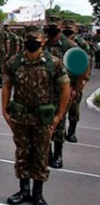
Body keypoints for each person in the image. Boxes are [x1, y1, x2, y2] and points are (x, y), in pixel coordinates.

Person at [2, 25, 70, 205]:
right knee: (22, 154)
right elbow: (7, 86)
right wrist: (5, 111)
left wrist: (59, 115)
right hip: (21, 117)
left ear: (43, 42)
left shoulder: (53, 63)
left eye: (36, 41)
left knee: (41, 156)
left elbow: (65, 88)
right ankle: (23, 190)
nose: (32, 44)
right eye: (29, 40)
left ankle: (38, 194)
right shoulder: (14, 62)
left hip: (43, 119)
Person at [42, 15, 78, 169]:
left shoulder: (70, 46)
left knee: (59, 123)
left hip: (62, 91)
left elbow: (78, 69)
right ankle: (47, 153)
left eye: (54, 27)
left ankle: (58, 155)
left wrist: (75, 89)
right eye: (49, 27)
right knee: (44, 123)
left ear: (60, 28)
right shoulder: (43, 45)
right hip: (44, 91)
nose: (51, 30)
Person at [62, 19, 91, 143]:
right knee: (59, 110)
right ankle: (60, 132)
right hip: (61, 83)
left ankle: (71, 132)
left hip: (75, 83)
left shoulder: (81, 44)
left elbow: (86, 64)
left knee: (74, 110)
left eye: (70, 28)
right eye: (65, 28)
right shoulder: (59, 42)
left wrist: (81, 84)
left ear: (76, 30)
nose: (68, 30)